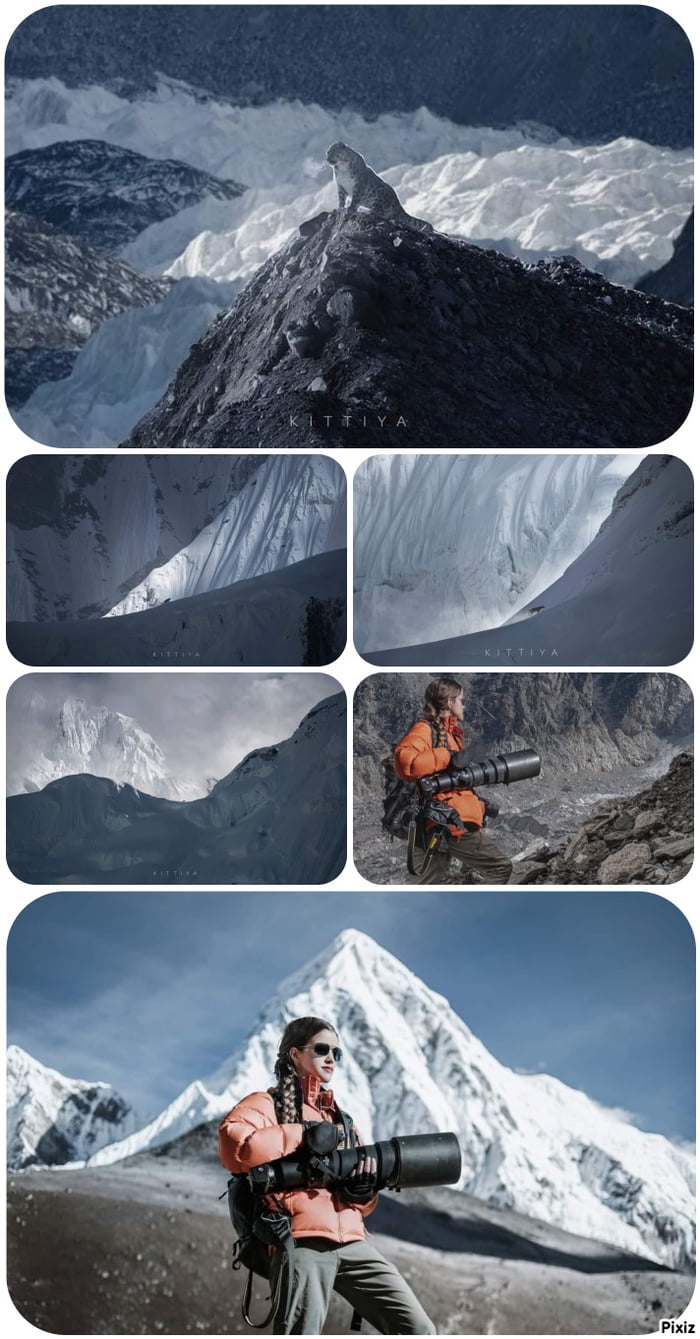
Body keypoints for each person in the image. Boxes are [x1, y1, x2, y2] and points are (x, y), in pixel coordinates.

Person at [219, 1016, 436, 1336]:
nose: (332, 1058)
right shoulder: (268, 1104)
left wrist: (363, 1193)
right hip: (300, 1243)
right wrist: (303, 1134)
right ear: (295, 1054)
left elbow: (361, 1204)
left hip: (354, 1243)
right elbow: (235, 1147)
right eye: (322, 1050)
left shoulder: (343, 1121)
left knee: (419, 1329)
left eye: (337, 1052)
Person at [394, 676, 513, 884]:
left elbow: (451, 786)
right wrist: (446, 756)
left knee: (425, 886)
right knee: (501, 868)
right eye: (461, 700)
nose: (463, 705)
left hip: (439, 824)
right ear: (450, 702)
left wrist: (479, 806)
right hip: (448, 824)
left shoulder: (452, 735)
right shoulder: (425, 729)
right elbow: (406, 764)